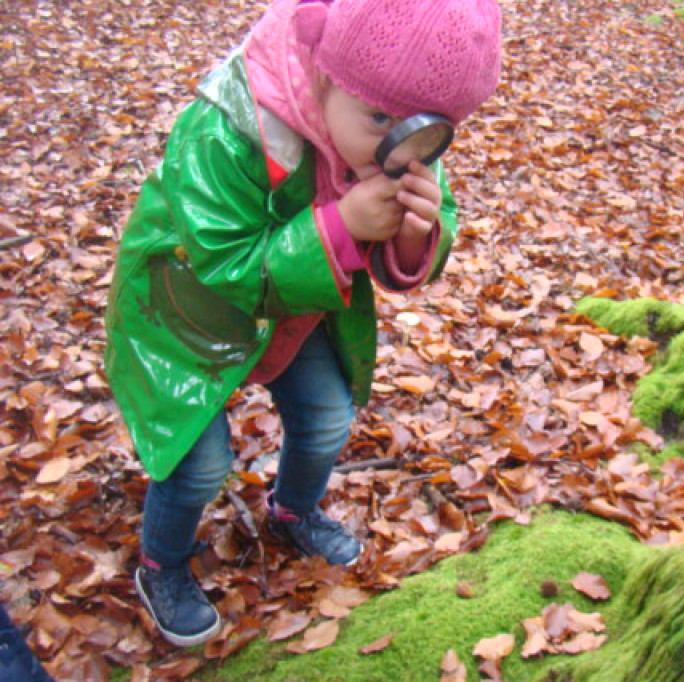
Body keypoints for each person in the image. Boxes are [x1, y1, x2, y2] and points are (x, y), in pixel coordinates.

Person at [103, 0, 502, 647]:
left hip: (297, 302)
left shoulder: (392, 117)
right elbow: (223, 261)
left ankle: (293, 509)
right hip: (182, 306)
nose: (398, 148)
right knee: (198, 465)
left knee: (326, 417)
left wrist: (413, 235)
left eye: (424, 132)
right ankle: (161, 564)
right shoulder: (228, 124)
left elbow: (432, 210)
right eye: (379, 120)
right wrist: (341, 229)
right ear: (322, 70)